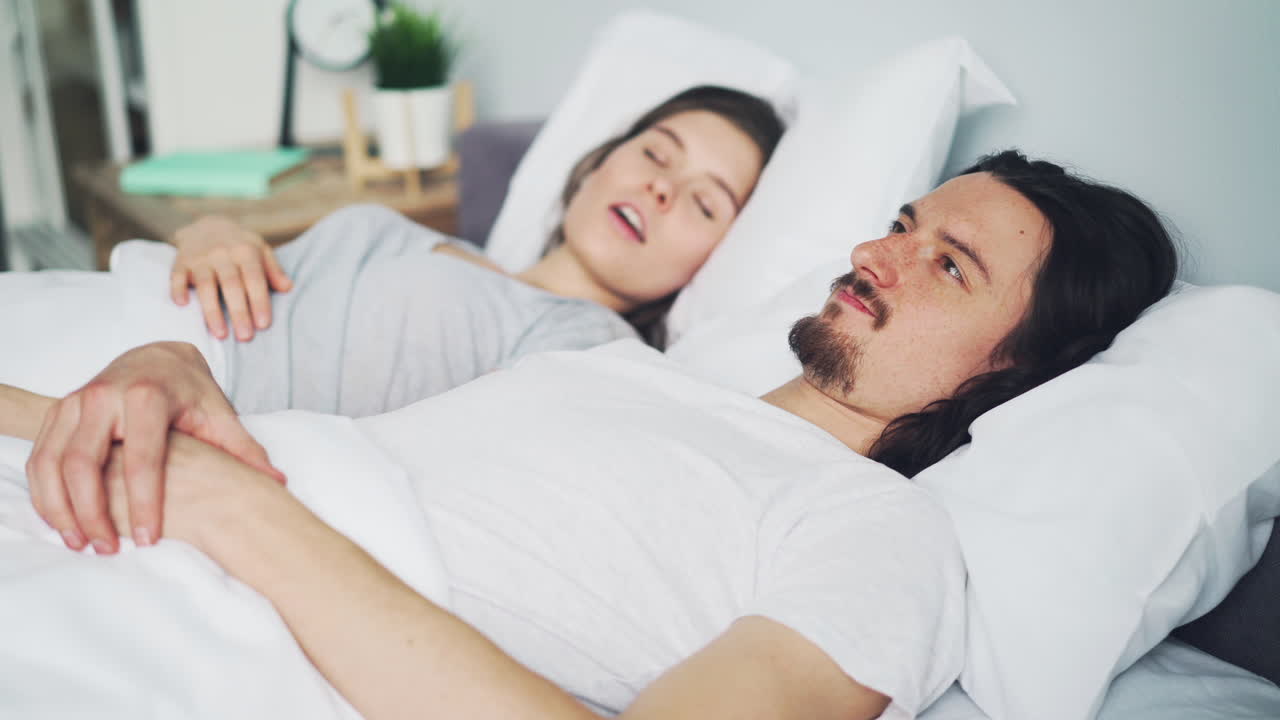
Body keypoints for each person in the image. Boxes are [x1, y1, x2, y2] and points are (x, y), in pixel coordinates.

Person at [5, 150, 1178, 719]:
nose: (878, 255)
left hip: (223, 632)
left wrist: (234, 510)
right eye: (900, 226)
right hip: (121, 519)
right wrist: (155, 375)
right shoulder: (596, 362)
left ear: (1013, 372)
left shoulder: (879, 536)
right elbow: (266, 459)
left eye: (948, 265)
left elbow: (259, 500)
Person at [164, 84, 784, 420]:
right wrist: (211, 232)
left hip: (174, 398)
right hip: (139, 315)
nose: (661, 187)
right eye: (656, 152)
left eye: (705, 203)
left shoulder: (587, 348)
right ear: (599, 160)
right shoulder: (423, 240)